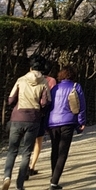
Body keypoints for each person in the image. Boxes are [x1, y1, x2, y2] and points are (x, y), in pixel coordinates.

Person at [2, 55, 51, 190]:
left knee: (12, 150)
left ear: (30, 67)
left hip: (17, 118)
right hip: (33, 119)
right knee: (27, 152)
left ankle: (7, 177)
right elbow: (45, 102)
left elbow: (11, 100)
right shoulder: (44, 82)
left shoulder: (21, 80)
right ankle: (20, 185)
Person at [47, 65, 86, 190]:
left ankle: (54, 176)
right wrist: (81, 122)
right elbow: (81, 106)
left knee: (54, 150)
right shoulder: (76, 87)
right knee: (63, 152)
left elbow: (48, 105)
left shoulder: (55, 88)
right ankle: (54, 182)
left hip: (53, 122)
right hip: (67, 122)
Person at [28, 59, 57, 178]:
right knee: (38, 141)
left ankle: (24, 164)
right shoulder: (51, 81)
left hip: (27, 111)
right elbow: (51, 99)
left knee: (27, 141)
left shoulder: (26, 79)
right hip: (41, 113)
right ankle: (32, 166)